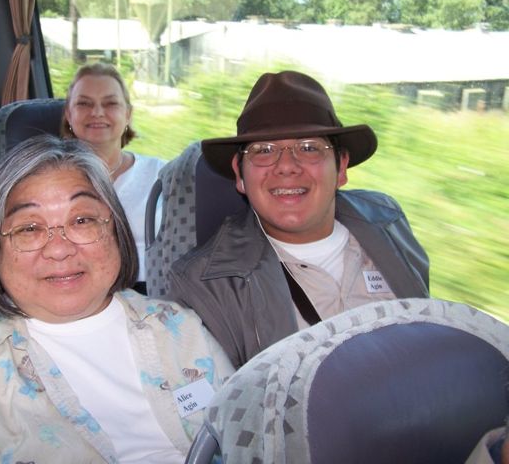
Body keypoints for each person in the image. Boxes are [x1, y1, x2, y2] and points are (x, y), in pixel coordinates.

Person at [0, 136, 233, 463]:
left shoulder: (180, 327)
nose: (60, 249)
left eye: (82, 220)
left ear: (115, 230)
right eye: (29, 228)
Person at [167, 70, 430, 368]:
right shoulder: (205, 285)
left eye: (308, 148)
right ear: (240, 174)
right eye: (264, 150)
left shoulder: (389, 223)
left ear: (341, 167)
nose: (287, 166)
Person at [61, 62, 166, 291]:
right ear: (69, 114)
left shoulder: (163, 174)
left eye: (110, 103)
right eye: (84, 103)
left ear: (127, 114)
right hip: (76, 289)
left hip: (150, 293)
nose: (97, 112)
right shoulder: (49, 179)